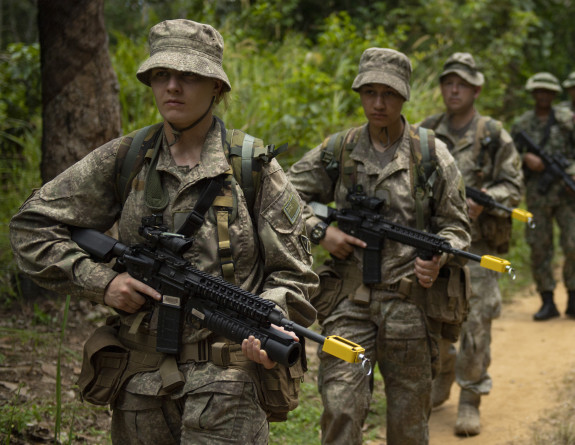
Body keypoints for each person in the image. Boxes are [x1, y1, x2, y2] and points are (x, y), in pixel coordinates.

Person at [9, 19, 318, 445]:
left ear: (216, 87)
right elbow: (31, 226)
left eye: (188, 76)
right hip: (139, 384)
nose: (172, 86)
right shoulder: (127, 157)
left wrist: (269, 318)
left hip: (228, 388)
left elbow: (294, 272)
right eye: (161, 75)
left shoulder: (252, 167)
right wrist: (104, 281)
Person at [286, 48, 471, 445]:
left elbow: (457, 227)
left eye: (387, 93)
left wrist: (439, 256)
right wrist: (321, 231)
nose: (378, 103)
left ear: (404, 96)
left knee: (408, 419)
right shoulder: (339, 149)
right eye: (369, 92)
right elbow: (282, 196)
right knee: (341, 407)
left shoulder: (430, 154)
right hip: (348, 303)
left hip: (410, 305)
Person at [417, 52, 524, 437]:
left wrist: (486, 199)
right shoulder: (426, 132)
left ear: (476, 88)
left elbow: (513, 187)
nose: (454, 88)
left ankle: (470, 397)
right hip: (439, 246)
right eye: (448, 82)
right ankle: (442, 379)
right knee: (436, 324)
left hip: (479, 252)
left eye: (462, 83)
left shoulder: (493, 134)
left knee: (476, 325)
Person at [511, 72, 575, 322]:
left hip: (566, 195)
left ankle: (573, 297)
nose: (543, 96)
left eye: (548, 92)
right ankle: (547, 299)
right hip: (538, 195)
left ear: (554, 95)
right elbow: (508, 156)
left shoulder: (567, 121)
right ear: (533, 93)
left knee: (573, 245)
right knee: (539, 246)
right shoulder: (522, 124)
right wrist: (526, 159)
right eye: (539, 91)